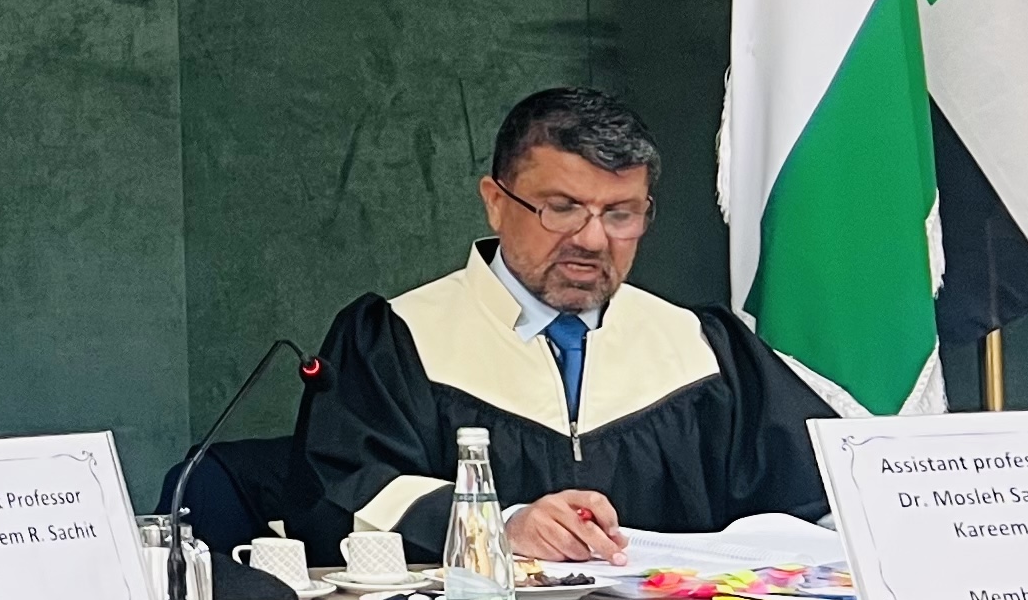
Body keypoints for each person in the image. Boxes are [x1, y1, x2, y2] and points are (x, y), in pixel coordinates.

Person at [299, 86, 831, 568]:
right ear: (495, 203)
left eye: (620, 214)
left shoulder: (701, 351)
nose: (592, 240)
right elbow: (340, 496)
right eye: (562, 208)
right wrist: (500, 526)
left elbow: (821, 499)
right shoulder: (398, 340)